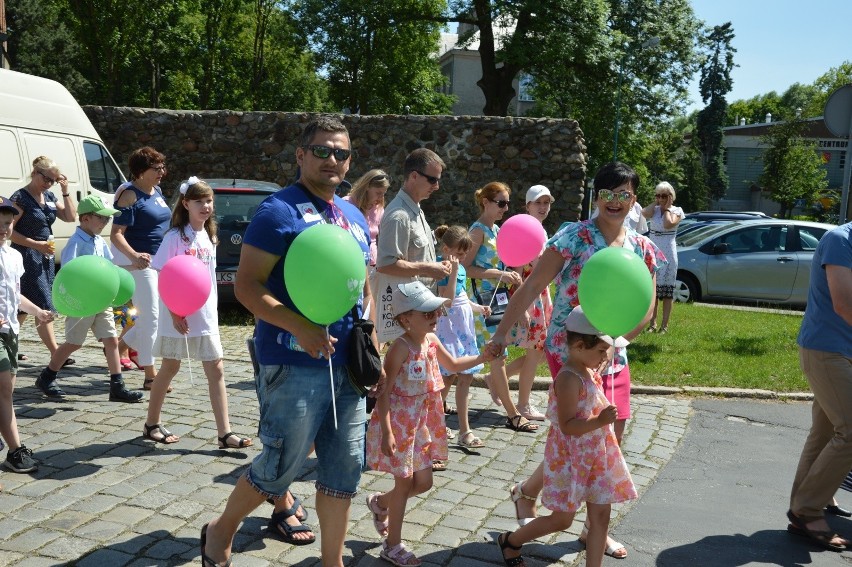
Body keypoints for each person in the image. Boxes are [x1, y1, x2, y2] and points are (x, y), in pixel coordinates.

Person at [201, 117, 375, 567]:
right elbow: (246, 286)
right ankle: (220, 533)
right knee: (279, 467)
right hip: (293, 363)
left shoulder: (353, 215)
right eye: (322, 150)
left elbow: (360, 282)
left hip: (346, 369)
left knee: (344, 468)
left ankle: (331, 561)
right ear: (301, 155)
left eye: (340, 152)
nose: (331, 159)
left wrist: (367, 328)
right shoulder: (278, 211)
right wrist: (298, 325)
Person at [491, 162, 664, 560]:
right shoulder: (574, 236)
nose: (616, 202)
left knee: (610, 439)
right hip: (569, 354)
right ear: (596, 197)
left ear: (634, 200)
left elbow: (647, 306)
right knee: (580, 434)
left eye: (624, 194)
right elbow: (535, 284)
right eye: (608, 193)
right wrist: (502, 334)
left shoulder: (641, 248)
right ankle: (576, 518)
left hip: (614, 354)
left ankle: (581, 523)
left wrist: (620, 341)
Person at [365, 281, 496, 567]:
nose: (435, 317)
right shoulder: (399, 348)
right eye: (427, 314)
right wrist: (386, 430)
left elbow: (456, 365)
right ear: (404, 319)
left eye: (435, 312)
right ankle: (392, 545)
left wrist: (482, 357)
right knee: (404, 484)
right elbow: (383, 393)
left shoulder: (432, 342)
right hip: (399, 424)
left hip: (421, 422)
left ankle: (380, 503)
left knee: (424, 482)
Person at [496, 306, 637, 567]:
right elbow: (568, 425)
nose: (606, 356)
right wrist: (600, 420)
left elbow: (591, 394)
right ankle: (511, 541)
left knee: (601, 516)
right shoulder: (569, 379)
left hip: (596, 456)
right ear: (580, 345)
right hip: (571, 459)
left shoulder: (587, 369)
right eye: (601, 350)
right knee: (562, 519)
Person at [141, 177, 253, 449]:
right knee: (170, 367)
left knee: (216, 368)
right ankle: (151, 423)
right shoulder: (174, 237)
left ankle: (224, 433)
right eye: (199, 201)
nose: (206, 206)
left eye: (209, 200)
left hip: (205, 314)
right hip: (177, 314)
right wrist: (174, 313)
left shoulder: (210, 235)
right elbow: (162, 276)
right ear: (186, 203)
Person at [34, 195, 143, 403]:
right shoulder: (75, 243)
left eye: (107, 219)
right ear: (85, 218)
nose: (105, 223)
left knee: (111, 340)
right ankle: (47, 377)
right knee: (73, 343)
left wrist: (133, 265)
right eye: (101, 218)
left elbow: (110, 269)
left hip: (102, 299)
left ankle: (117, 386)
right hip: (83, 302)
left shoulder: (100, 241)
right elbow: (69, 271)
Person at [787, 220, 852, 552]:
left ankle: (810, 500)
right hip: (827, 350)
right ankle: (807, 508)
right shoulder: (840, 240)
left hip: (846, 351)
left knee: (826, 431)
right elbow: (843, 304)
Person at [461, 181, 536, 433]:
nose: (505, 208)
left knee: (495, 354)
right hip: (481, 302)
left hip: (497, 299)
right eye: (501, 203)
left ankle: (440, 404)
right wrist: (499, 274)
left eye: (507, 203)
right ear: (486, 202)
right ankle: (513, 414)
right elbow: (465, 268)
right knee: (497, 354)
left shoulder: (498, 230)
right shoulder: (478, 231)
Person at [0, 196, 54, 476]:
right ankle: (15, 448)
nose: (4, 228)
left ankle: (13, 450)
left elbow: (14, 294)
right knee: (3, 389)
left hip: (10, 331)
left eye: (8, 223)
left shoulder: (13, 255)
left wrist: (38, 311)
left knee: (6, 390)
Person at [110, 147, 172, 392]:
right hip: (138, 264)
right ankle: (150, 375)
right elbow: (116, 235)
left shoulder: (157, 191)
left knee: (152, 317)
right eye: (156, 169)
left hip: (160, 262)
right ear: (140, 171)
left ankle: (116, 346)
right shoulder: (128, 194)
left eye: (162, 167)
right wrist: (134, 256)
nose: (162, 172)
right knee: (151, 317)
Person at [375, 149, 451, 344]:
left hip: (419, 313)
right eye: (432, 180)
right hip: (407, 317)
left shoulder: (415, 209)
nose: (437, 186)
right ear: (414, 176)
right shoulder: (399, 215)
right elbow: (385, 264)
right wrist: (429, 268)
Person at [10, 156, 77, 364]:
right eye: (46, 178)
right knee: (42, 303)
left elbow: (70, 216)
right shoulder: (21, 198)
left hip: (44, 256)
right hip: (26, 255)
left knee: (21, 307)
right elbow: (8, 231)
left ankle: (8, 344)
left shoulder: (48, 195)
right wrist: (35, 245)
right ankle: (56, 353)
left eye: (53, 180)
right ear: (35, 173)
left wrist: (65, 191)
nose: (49, 184)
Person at [433, 225, 490, 449]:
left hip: (463, 329)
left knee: (465, 377)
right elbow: (446, 301)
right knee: (446, 378)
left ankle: (465, 430)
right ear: (446, 249)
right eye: (458, 253)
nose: (462, 258)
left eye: (464, 254)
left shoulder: (459, 268)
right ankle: (435, 422)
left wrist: (478, 308)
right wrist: (454, 270)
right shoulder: (441, 267)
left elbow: (461, 297)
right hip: (448, 328)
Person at [504, 185, 555, 422]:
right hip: (529, 296)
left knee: (541, 351)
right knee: (535, 352)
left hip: (542, 295)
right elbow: (516, 273)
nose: (543, 207)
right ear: (528, 206)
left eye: (546, 203)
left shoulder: (542, 232)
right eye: (538, 203)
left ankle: (498, 379)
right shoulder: (523, 230)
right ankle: (523, 403)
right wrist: (522, 306)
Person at [642, 182, 684, 333]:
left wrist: (666, 208)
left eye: (663, 196)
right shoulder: (654, 209)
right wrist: (657, 202)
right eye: (658, 195)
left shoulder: (676, 210)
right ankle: (652, 324)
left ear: (671, 197)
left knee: (666, 291)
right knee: (653, 290)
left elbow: (668, 224)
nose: (660, 198)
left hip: (668, 253)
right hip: (653, 251)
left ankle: (664, 326)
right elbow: (644, 213)